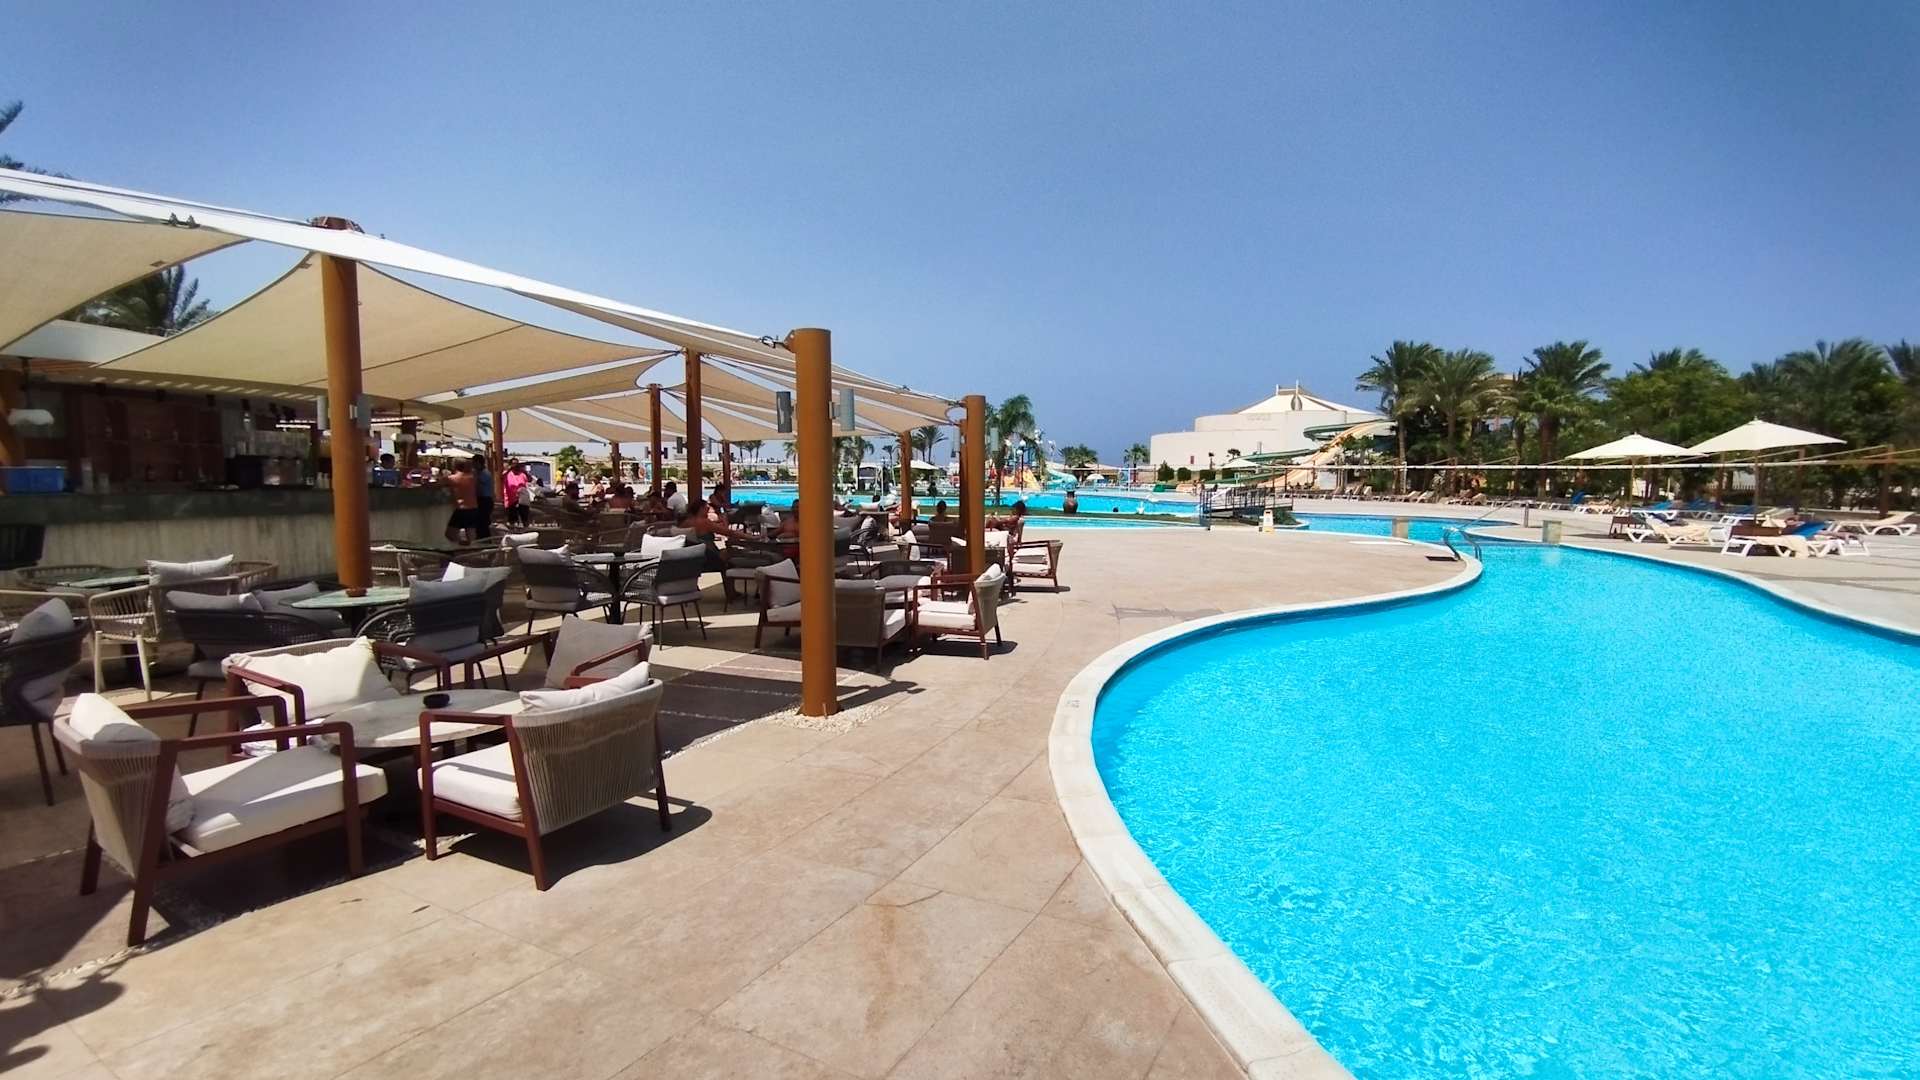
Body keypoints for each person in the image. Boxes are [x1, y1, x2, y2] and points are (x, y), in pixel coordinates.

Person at [443, 459, 479, 543]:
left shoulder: (451, 478)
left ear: (454, 466)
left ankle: (460, 546)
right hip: (473, 507)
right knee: (471, 534)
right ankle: (472, 549)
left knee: (449, 534)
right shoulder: (472, 477)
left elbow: (434, 484)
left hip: (461, 508)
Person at [503, 461, 532, 527]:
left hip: (522, 498)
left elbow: (530, 479)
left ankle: (525, 528)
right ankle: (513, 528)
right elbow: (502, 477)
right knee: (512, 517)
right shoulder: (507, 474)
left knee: (524, 514)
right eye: (513, 464)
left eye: (516, 463)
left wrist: (524, 471)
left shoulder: (522, 474)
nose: (515, 465)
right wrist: (509, 469)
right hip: (511, 498)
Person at [471, 455, 494, 535]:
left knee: (483, 522)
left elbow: (477, 484)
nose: (473, 465)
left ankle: (485, 539)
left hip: (485, 500)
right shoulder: (479, 473)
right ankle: (481, 537)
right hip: (480, 499)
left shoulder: (485, 473)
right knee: (479, 522)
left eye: (473, 463)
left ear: (478, 463)